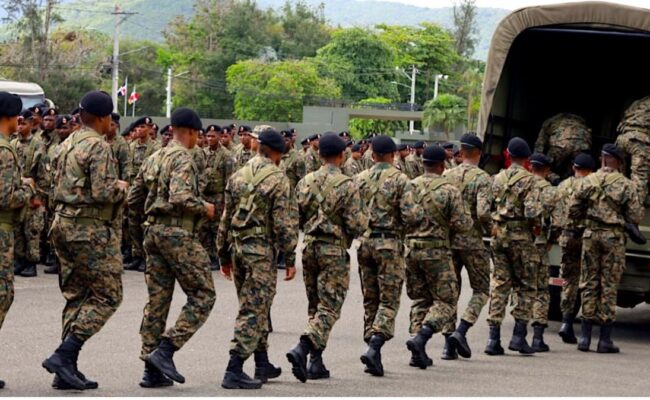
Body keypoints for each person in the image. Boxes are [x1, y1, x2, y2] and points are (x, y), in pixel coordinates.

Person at [43, 90, 129, 390]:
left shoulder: (65, 144)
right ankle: (64, 354)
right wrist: (122, 187)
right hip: (88, 230)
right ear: (104, 119)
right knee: (109, 296)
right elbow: (103, 192)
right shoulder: (99, 146)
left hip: (62, 225)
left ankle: (66, 369)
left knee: (77, 296)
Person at [127, 107, 217, 387]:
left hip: (152, 232)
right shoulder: (183, 158)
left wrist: (140, 234)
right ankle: (165, 350)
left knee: (157, 301)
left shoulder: (154, 157)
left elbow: (133, 199)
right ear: (191, 132)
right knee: (203, 295)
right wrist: (205, 207)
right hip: (177, 233)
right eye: (198, 134)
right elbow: (180, 196)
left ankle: (150, 368)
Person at [217, 128, 298, 389]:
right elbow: (284, 224)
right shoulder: (278, 179)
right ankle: (234, 367)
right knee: (253, 309)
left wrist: (222, 254)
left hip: (237, 248)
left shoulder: (238, 175)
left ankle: (262, 362)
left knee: (255, 305)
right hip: (260, 253)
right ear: (277, 153)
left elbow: (225, 218)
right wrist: (290, 257)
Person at [286, 134, 368, 383]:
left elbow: (293, 219)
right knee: (330, 307)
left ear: (319, 154)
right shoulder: (347, 184)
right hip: (333, 250)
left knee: (316, 306)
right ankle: (303, 347)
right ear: (342, 155)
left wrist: (289, 255)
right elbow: (357, 224)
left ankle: (316, 361)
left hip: (309, 248)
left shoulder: (305, 182)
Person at [568, 144, 643, 353]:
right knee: (608, 285)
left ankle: (584, 338)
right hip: (613, 238)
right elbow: (635, 216)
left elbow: (573, 209)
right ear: (618, 161)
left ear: (602, 159)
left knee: (589, 282)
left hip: (590, 236)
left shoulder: (587, 181)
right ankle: (604, 340)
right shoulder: (626, 185)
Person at [355, 135, 419, 376]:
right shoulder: (401, 180)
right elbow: (411, 216)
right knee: (389, 299)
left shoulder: (359, 178)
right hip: (389, 244)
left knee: (370, 297)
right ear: (393, 155)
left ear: (372, 155)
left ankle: (372, 349)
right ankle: (375, 345)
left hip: (365, 243)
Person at [404, 145, 470, 369]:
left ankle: (417, 350)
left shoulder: (410, 187)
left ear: (423, 163)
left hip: (412, 251)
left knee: (420, 299)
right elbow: (462, 224)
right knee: (447, 301)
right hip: (436, 252)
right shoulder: (449, 190)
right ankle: (422, 337)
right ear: (443, 165)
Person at [485, 137, 542, 356]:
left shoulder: (497, 178)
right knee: (526, 285)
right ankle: (518, 337)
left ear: (508, 154)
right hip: (520, 238)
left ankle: (493, 340)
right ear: (527, 158)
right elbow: (532, 212)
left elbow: (488, 207)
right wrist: (537, 225)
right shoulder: (530, 181)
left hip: (499, 235)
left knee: (500, 284)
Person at [443, 133, 492, 360]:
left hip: (449, 241)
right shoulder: (483, 178)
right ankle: (461, 330)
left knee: (450, 291)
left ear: (461, 152)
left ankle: (448, 345)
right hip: (472, 242)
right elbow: (483, 212)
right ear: (479, 153)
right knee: (481, 290)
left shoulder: (447, 175)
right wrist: (490, 229)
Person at [0, 92, 33, 390]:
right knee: (2, 295)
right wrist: (27, 191)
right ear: (10, 117)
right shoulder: (5, 150)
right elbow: (5, 198)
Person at [552, 153, 595, 344]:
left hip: (566, 237)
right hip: (586, 238)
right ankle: (586, 329)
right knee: (588, 281)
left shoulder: (563, 186)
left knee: (568, 280)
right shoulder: (592, 186)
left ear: (573, 167)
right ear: (591, 171)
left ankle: (566, 322)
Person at [11, 110, 48, 278]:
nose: (20, 127)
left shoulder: (38, 145)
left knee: (32, 230)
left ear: (31, 124)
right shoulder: (13, 144)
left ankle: (31, 262)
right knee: (17, 229)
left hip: (33, 195)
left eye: (23, 124)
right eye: (18, 123)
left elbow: (44, 175)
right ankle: (19, 260)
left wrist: (39, 196)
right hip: (18, 194)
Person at [528, 153, 559, 352]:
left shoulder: (520, 185)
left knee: (519, 287)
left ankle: (513, 335)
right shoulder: (551, 192)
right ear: (547, 170)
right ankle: (537, 338)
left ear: (531, 167)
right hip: (539, 244)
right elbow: (558, 223)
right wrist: (551, 240)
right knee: (540, 290)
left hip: (518, 242)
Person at [126, 116, 160, 272]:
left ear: (150, 129)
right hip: (134, 190)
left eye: (143, 127)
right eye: (138, 127)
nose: (140, 130)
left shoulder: (156, 148)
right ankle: (137, 255)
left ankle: (147, 257)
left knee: (146, 224)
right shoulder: (131, 146)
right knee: (133, 224)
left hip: (148, 191)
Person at [199, 125, 234, 270]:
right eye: (208, 136)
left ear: (219, 137)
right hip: (204, 195)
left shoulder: (226, 155)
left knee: (216, 227)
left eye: (213, 136)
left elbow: (229, 179)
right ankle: (206, 255)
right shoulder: (202, 153)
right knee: (203, 227)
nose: (210, 139)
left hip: (218, 196)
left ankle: (217, 256)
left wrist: (226, 201)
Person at [534, 113, 592, 180]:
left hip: (560, 145)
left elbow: (539, 146)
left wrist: (536, 162)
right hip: (582, 146)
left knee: (544, 167)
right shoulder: (581, 121)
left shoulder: (549, 122)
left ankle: (555, 180)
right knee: (576, 170)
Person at [616, 95, 650, 204]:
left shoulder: (640, 101)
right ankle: (635, 207)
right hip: (639, 141)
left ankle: (614, 203)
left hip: (622, 138)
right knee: (639, 182)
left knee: (616, 177)